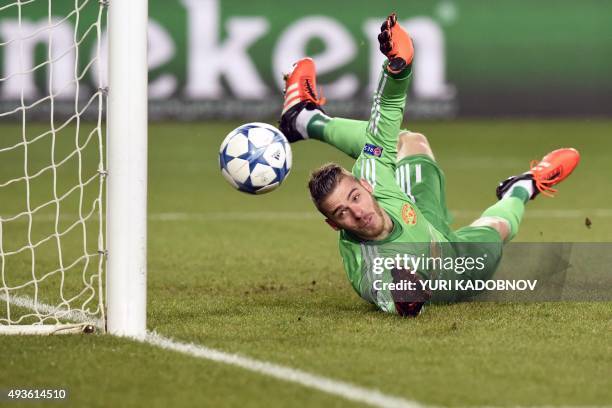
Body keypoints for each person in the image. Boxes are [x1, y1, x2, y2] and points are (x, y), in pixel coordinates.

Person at [278, 13, 580, 316]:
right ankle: (523, 186)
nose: (357, 212)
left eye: (354, 197)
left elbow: (386, 115)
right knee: (499, 228)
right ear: (334, 225)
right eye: (341, 212)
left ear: (366, 186)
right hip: (454, 269)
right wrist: (404, 299)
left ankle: (303, 118)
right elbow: (383, 292)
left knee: (409, 141)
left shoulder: (373, 175)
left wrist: (398, 69)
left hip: (414, 211)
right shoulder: (368, 265)